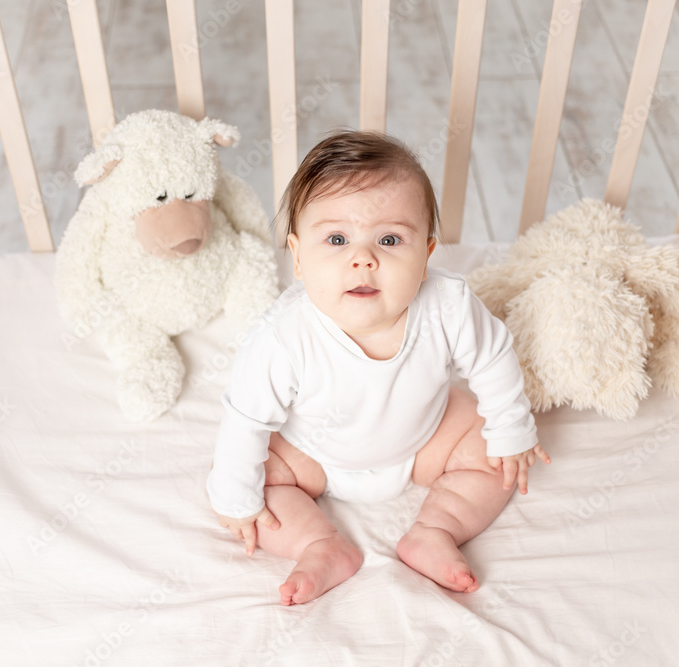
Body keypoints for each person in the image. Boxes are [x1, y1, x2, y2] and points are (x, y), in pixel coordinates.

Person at [207, 130, 550, 606]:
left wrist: (512, 429)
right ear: (299, 257)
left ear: (427, 254)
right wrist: (235, 498)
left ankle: (435, 529)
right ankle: (319, 545)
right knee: (248, 476)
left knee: (494, 453)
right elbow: (245, 419)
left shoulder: (447, 305)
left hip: (426, 441)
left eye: (390, 239)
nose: (362, 258)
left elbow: (493, 357)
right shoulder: (283, 336)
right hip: (313, 457)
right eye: (336, 239)